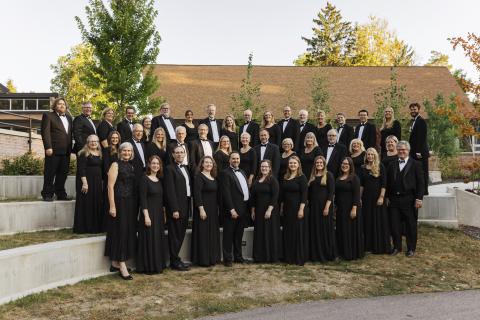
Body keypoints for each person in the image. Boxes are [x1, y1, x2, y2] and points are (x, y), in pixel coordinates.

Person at [386, 140, 424, 257]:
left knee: (410, 225)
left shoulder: (416, 164)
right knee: (395, 224)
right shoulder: (391, 164)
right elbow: (388, 182)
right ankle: (397, 247)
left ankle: (411, 248)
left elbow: (421, 183)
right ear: (397, 150)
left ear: (408, 151)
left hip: (409, 199)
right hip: (394, 199)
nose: (402, 151)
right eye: (400, 149)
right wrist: (387, 196)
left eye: (404, 149)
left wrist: (419, 198)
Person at [104, 142, 136, 280]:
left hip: (129, 202)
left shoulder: (131, 166)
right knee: (120, 231)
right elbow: (110, 187)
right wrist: (112, 206)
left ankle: (114, 263)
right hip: (118, 201)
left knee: (125, 231)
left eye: (129, 151)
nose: (127, 153)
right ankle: (122, 265)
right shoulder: (115, 165)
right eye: (124, 151)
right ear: (120, 152)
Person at [137, 155, 167, 274]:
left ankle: (157, 265)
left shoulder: (159, 180)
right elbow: (142, 199)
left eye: (157, 164)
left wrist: (163, 214)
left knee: (157, 239)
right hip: (148, 213)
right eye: (153, 163)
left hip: (158, 214)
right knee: (149, 239)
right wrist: (146, 216)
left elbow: (161, 200)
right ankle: (148, 266)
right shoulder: (145, 179)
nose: (155, 165)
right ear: (149, 165)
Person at [164, 146, 192, 271]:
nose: (180, 155)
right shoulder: (169, 169)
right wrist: (174, 209)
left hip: (185, 204)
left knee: (180, 233)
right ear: (173, 155)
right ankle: (174, 261)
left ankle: (176, 259)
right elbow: (170, 191)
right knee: (175, 234)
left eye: (182, 152)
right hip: (176, 207)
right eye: (177, 153)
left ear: (185, 154)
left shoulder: (186, 168)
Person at [41, 97, 73, 202]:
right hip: (53, 150)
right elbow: (45, 133)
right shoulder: (48, 116)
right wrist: (48, 147)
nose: (62, 105)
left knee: (63, 174)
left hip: (66, 151)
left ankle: (60, 194)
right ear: (55, 106)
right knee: (50, 173)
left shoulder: (68, 117)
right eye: (59, 104)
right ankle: (47, 194)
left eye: (63, 104)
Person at [220, 152, 250, 266]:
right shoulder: (225, 173)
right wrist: (231, 209)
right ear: (229, 160)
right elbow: (226, 193)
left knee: (238, 235)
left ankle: (238, 257)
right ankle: (227, 259)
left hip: (243, 208)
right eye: (233, 159)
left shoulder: (242, 172)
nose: (236, 160)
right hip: (232, 210)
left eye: (237, 158)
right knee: (228, 235)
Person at [191, 156, 221, 267]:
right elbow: (197, 194)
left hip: (213, 210)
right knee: (203, 234)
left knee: (212, 234)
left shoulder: (214, 177)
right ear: (202, 164)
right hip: (203, 209)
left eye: (210, 162)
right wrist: (201, 209)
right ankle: (203, 259)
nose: (209, 164)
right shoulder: (199, 177)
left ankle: (212, 257)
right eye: (206, 162)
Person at [360, 148, 390, 254]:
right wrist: (359, 198)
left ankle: (379, 246)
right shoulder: (362, 168)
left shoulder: (380, 166)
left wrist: (381, 197)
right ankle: (368, 246)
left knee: (378, 221)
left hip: (377, 199)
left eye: (372, 154)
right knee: (368, 221)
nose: (370, 156)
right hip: (366, 199)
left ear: (375, 155)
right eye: (368, 154)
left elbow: (384, 184)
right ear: (366, 156)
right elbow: (361, 185)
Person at [250, 160, 281, 263]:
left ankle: (270, 257)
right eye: (262, 166)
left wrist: (269, 210)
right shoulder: (257, 180)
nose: (264, 168)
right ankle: (259, 256)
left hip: (270, 211)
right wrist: (253, 210)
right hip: (258, 210)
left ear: (270, 168)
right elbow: (253, 197)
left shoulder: (273, 180)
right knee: (260, 232)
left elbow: (275, 196)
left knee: (269, 232)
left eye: (266, 167)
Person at [280, 155, 308, 265]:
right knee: (288, 232)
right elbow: (282, 195)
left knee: (297, 232)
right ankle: (288, 257)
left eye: (294, 163)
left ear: (298, 165)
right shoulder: (285, 176)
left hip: (298, 208)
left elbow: (304, 195)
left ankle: (298, 257)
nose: (292, 165)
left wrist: (301, 209)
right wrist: (282, 208)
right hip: (287, 209)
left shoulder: (302, 177)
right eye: (291, 163)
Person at [335, 157, 364, 261]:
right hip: (341, 208)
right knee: (342, 229)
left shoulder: (354, 178)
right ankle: (342, 251)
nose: (344, 165)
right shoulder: (339, 177)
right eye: (343, 163)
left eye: (347, 164)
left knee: (350, 230)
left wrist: (354, 209)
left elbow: (357, 195)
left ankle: (350, 253)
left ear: (351, 166)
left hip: (351, 208)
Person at [73, 134, 103, 234]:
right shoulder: (83, 153)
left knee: (96, 202)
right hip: (87, 182)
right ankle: (85, 227)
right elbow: (81, 170)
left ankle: (95, 227)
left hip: (97, 183)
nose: (94, 143)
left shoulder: (100, 153)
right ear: (88, 143)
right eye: (91, 141)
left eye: (96, 141)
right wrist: (85, 183)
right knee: (87, 203)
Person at [308, 156, 336, 262]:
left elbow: (331, 193)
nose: (319, 164)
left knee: (324, 230)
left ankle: (326, 254)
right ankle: (316, 254)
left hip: (325, 207)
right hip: (314, 207)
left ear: (324, 164)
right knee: (316, 230)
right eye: (317, 162)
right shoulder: (312, 176)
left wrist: (327, 207)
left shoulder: (329, 175)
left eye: (321, 162)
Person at [408, 102, 429, 195]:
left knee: (423, 172)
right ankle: (419, 190)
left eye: (414, 109)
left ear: (418, 110)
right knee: (417, 172)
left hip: (420, 153)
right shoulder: (414, 121)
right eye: (411, 109)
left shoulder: (421, 121)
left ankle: (424, 191)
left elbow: (422, 137)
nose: (413, 111)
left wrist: (418, 152)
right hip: (414, 152)